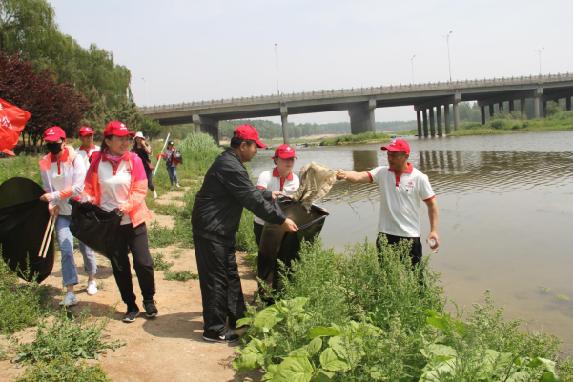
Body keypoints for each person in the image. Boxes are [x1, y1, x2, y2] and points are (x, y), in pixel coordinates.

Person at [192, 124, 298, 343]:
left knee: (230, 274)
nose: (256, 151)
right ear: (243, 146)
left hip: (222, 230)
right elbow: (250, 199)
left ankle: (238, 317)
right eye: (254, 147)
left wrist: (269, 194)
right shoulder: (230, 165)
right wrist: (281, 220)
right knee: (216, 279)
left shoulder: (231, 163)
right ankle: (214, 329)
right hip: (211, 230)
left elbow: (246, 191)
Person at [82, 121, 157, 323]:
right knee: (120, 266)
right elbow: (89, 187)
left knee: (143, 263)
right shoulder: (97, 162)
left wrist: (126, 206)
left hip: (134, 219)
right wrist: (87, 198)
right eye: (121, 138)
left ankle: (149, 300)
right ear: (108, 140)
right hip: (110, 223)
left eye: (128, 138)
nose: (126, 142)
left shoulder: (134, 160)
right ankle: (130, 305)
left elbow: (141, 189)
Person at [336, 139, 439, 265]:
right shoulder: (382, 172)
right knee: (386, 276)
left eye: (394, 155)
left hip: (409, 236)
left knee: (416, 278)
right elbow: (359, 176)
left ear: (406, 156)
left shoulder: (419, 178)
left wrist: (433, 230)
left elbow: (431, 204)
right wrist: (344, 174)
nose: (390, 158)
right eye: (388, 154)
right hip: (385, 235)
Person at [39, 126, 98, 307]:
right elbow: (48, 188)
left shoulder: (76, 159)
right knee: (65, 250)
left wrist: (54, 197)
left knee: (86, 248)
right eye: (48, 143)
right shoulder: (44, 162)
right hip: (62, 214)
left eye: (55, 143)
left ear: (64, 142)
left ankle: (91, 278)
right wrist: (52, 204)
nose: (51, 147)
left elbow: (77, 189)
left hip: (79, 211)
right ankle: (70, 291)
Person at [254, 144, 300, 245]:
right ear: (276, 160)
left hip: (284, 224)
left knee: (283, 255)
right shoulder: (265, 175)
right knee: (264, 254)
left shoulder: (295, 179)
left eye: (292, 159)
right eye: (285, 159)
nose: (289, 162)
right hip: (263, 223)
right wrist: (270, 194)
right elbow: (257, 197)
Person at [132, 131, 157, 199]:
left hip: (147, 166)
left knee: (149, 183)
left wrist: (144, 145)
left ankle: (154, 190)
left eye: (139, 138)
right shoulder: (134, 147)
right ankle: (142, 196)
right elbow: (131, 154)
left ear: (142, 138)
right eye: (137, 138)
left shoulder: (146, 145)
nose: (138, 139)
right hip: (138, 167)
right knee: (140, 183)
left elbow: (149, 152)